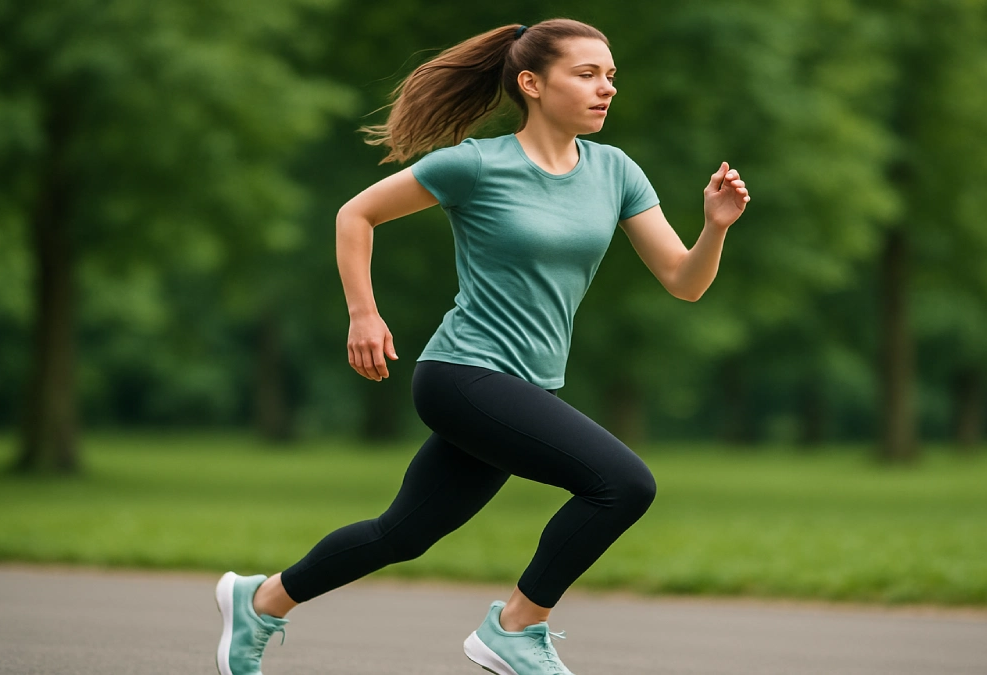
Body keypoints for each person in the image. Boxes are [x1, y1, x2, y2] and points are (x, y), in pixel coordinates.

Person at [214, 17, 749, 675]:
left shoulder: (616, 172)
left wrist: (714, 229)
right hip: (462, 373)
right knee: (622, 482)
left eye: (610, 76)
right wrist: (363, 313)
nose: (606, 88)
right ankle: (517, 627)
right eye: (586, 74)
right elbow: (356, 214)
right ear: (531, 82)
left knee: (402, 532)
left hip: (524, 387)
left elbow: (683, 281)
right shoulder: (476, 164)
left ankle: (259, 601)